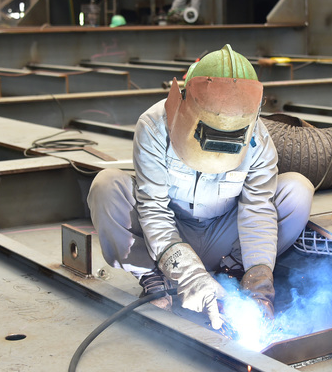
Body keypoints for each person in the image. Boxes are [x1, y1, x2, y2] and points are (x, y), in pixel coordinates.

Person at [87, 44, 314, 330]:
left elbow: (257, 209)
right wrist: (189, 274)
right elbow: (154, 209)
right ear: (184, 105)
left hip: (225, 236)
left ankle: (235, 273)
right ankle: (156, 279)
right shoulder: (154, 125)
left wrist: (260, 286)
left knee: (297, 191)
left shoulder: (259, 139)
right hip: (168, 231)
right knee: (106, 187)